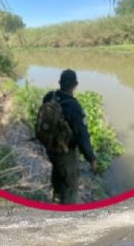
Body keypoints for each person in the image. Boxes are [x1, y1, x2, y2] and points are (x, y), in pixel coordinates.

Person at [41, 69, 97, 204]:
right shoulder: (74, 106)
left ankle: (56, 196)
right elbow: (82, 136)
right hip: (65, 152)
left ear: (59, 82)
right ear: (75, 84)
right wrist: (91, 159)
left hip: (50, 147)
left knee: (57, 172)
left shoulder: (49, 96)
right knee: (70, 186)